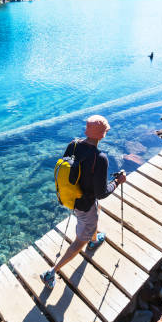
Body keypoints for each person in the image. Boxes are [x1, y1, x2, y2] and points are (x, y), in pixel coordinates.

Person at [41, 115, 126, 289]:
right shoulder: (100, 158)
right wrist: (118, 182)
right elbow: (101, 193)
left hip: (70, 197)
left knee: (95, 214)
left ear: (87, 130)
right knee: (80, 241)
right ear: (103, 135)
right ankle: (51, 273)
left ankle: (94, 240)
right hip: (85, 205)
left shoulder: (73, 144)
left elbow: (68, 169)